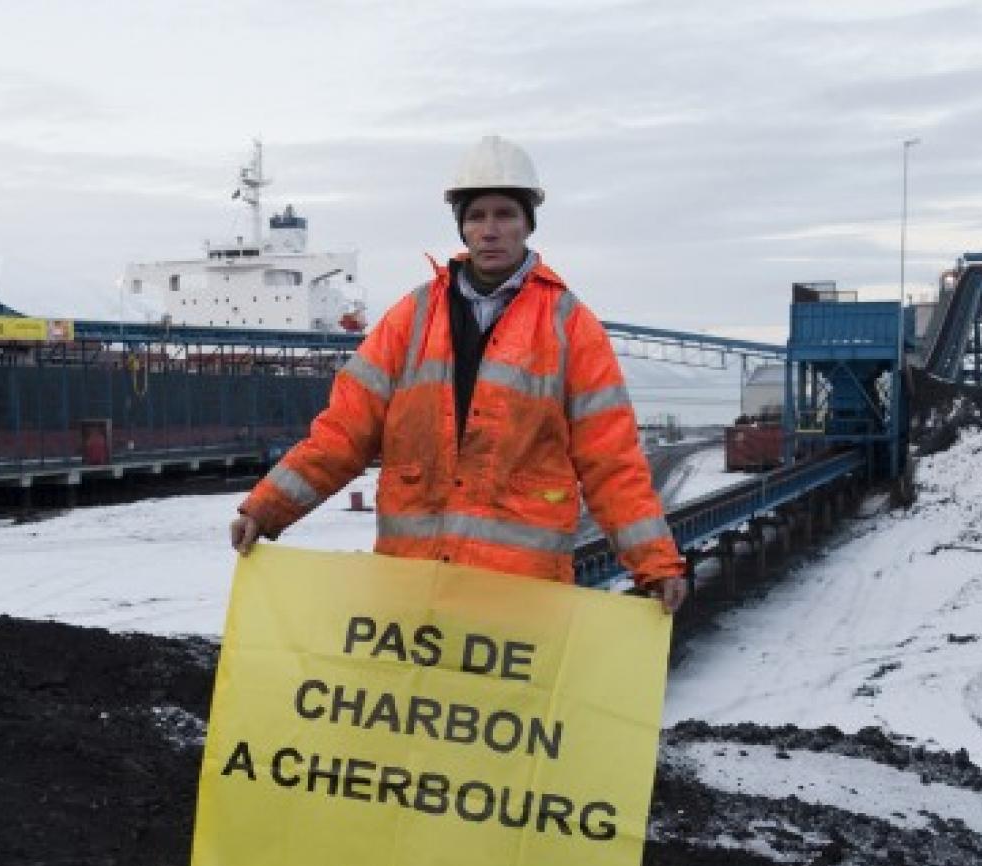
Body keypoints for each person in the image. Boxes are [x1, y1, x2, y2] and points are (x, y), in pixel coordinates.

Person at [229, 135, 687, 613]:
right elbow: (343, 434)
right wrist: (266, 506)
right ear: (462, 227)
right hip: (411, 593)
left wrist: (655, 562)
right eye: (476, 216)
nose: (490, 230)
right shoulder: (411, 319)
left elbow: (612, 463)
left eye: (505, 214)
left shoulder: (572, 329)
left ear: (528, 223)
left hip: (517, 605)